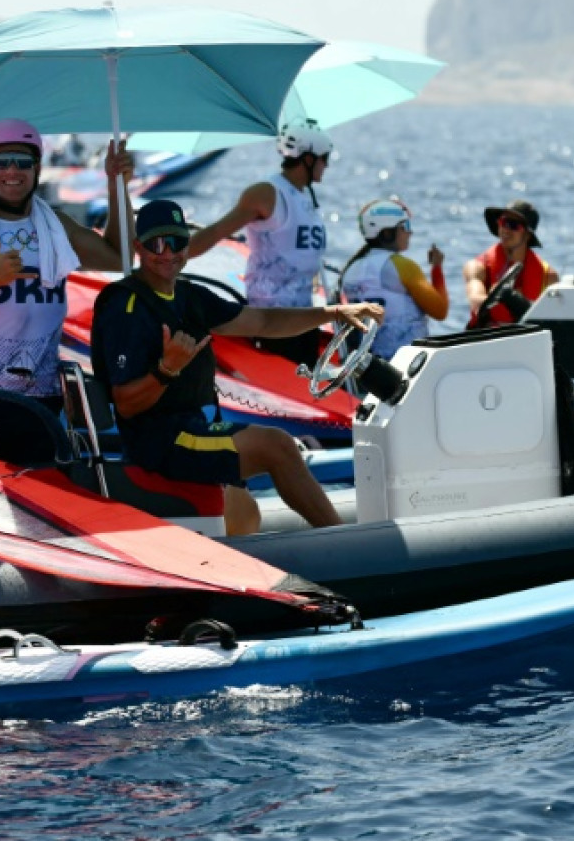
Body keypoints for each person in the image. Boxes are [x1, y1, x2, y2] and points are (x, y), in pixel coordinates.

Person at [91, 199, 384, 535]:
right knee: (277, 446)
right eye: (158, 244)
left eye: (178, 242)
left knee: (244, 513)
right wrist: (166, 369)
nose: (168, 253)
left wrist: (331, 314)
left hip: (191, 427)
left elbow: (260, 321)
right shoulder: (126, 307)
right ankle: (347, 545)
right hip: (162, 441)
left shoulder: (188, 296)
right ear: (138, 247)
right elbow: (126, 403)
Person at [0, 118, 131, 464]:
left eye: (23, 161)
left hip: (40, 404)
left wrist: (116, 185)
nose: (12, 171)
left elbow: (119, 256)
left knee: (42, 512)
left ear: (37, 168)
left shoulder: (57, 226)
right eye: (2, 162)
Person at [184, 119, 334, 367]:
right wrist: (173, 257)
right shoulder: (266, 193)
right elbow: (216, 232)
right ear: (307, 158)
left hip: (301, 315)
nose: (326, 164)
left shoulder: (304, 195)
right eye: (324, 158)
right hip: (271, 319)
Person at [336, 199, 448, 359]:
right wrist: (437, 268)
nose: (410, 232)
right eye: (405, 226)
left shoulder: (350, 270)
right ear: (387, 232)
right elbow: (440, 311)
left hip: (367, 364)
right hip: (405, 362)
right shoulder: (404, 266)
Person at [463, 199, 559, 327]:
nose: (506, 229)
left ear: (527, 235)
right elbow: (475, 300)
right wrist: (498, 296)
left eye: (513, 225)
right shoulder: (477, 267)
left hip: (529, 341)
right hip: (487, 339)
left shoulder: (549, 277)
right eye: (503, 222)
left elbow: (553, 320)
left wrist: (514, 300)